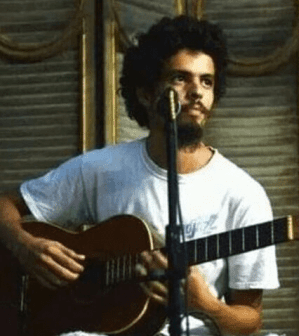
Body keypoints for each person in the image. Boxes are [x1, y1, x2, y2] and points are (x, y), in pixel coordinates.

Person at [0, 16, 279, 336]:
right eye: (180, 78)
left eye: (207, 81)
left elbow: (250, 321)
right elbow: (5, 205)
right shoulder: (102, 169)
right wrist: (24, 246)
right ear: (147, 93)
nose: (197, 92)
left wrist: (204, 303)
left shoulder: (243, 193)